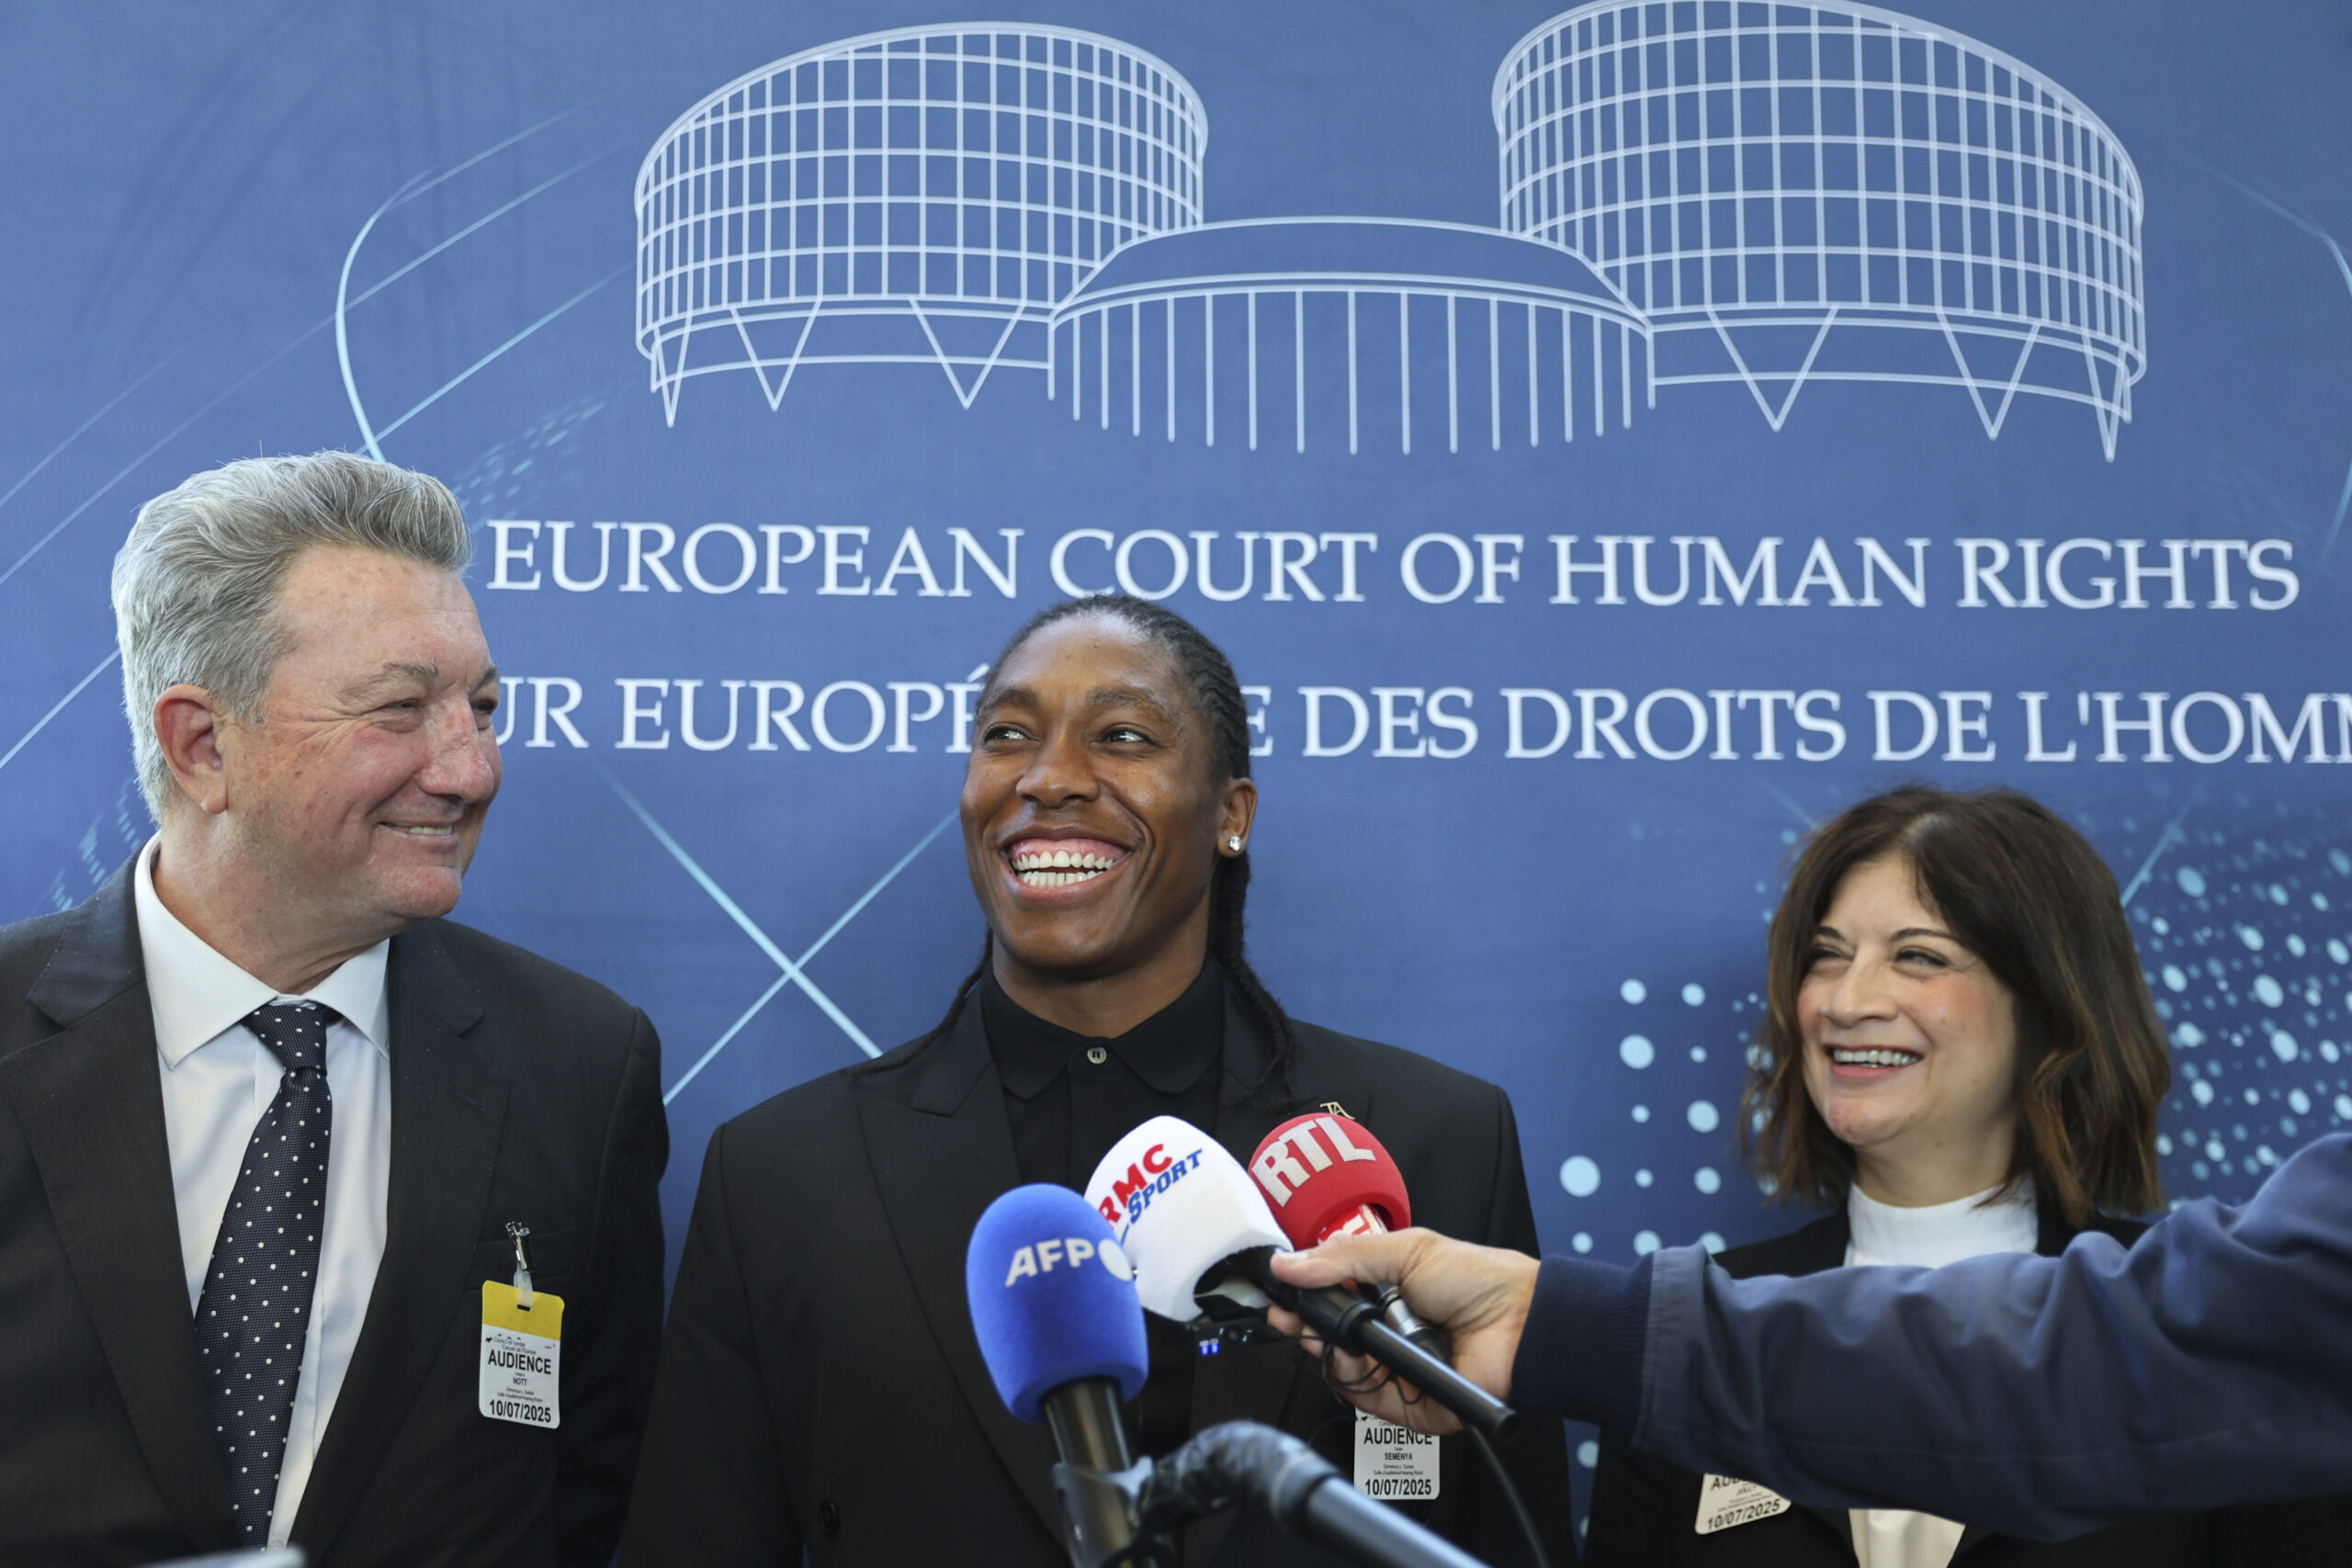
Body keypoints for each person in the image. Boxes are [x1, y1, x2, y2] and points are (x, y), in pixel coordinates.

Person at [621, 595, 1576, 1566]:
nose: (1048, 778)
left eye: (1122, 736)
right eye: (1007, 735)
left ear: (1231, 816)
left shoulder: (1435, 1135)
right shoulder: (780, 1174)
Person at [0, 453, 667, 1567]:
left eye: (482, 709)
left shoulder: (581, 1064)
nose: (471, 770)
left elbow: (596, 1490)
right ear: (203, 746)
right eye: (401, 710)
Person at [1578, 786, 2346, 1564]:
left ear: (2049, 1003)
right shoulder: (1681, 1333)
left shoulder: (2197, 1331)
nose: (1846, 1000)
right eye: (1827, 954)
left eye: (1918, 956)